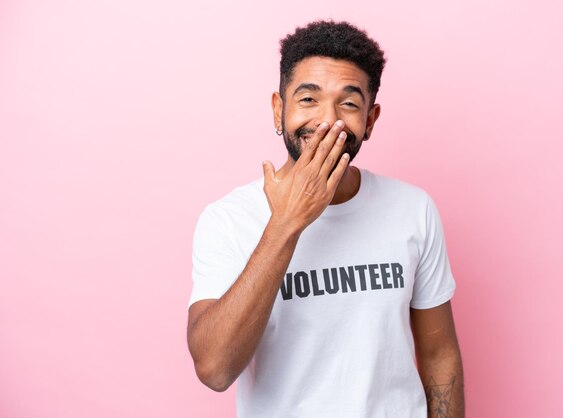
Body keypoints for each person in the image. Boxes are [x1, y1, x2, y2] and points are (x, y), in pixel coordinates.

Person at [187, 20, 465, 418]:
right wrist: (287, 221)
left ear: (370, 120)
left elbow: (439, 355)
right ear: (278, 109)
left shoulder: (413, 208)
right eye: (308, 100)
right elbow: (214, 368)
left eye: (349, 104)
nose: (328, 121)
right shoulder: (228, 219)